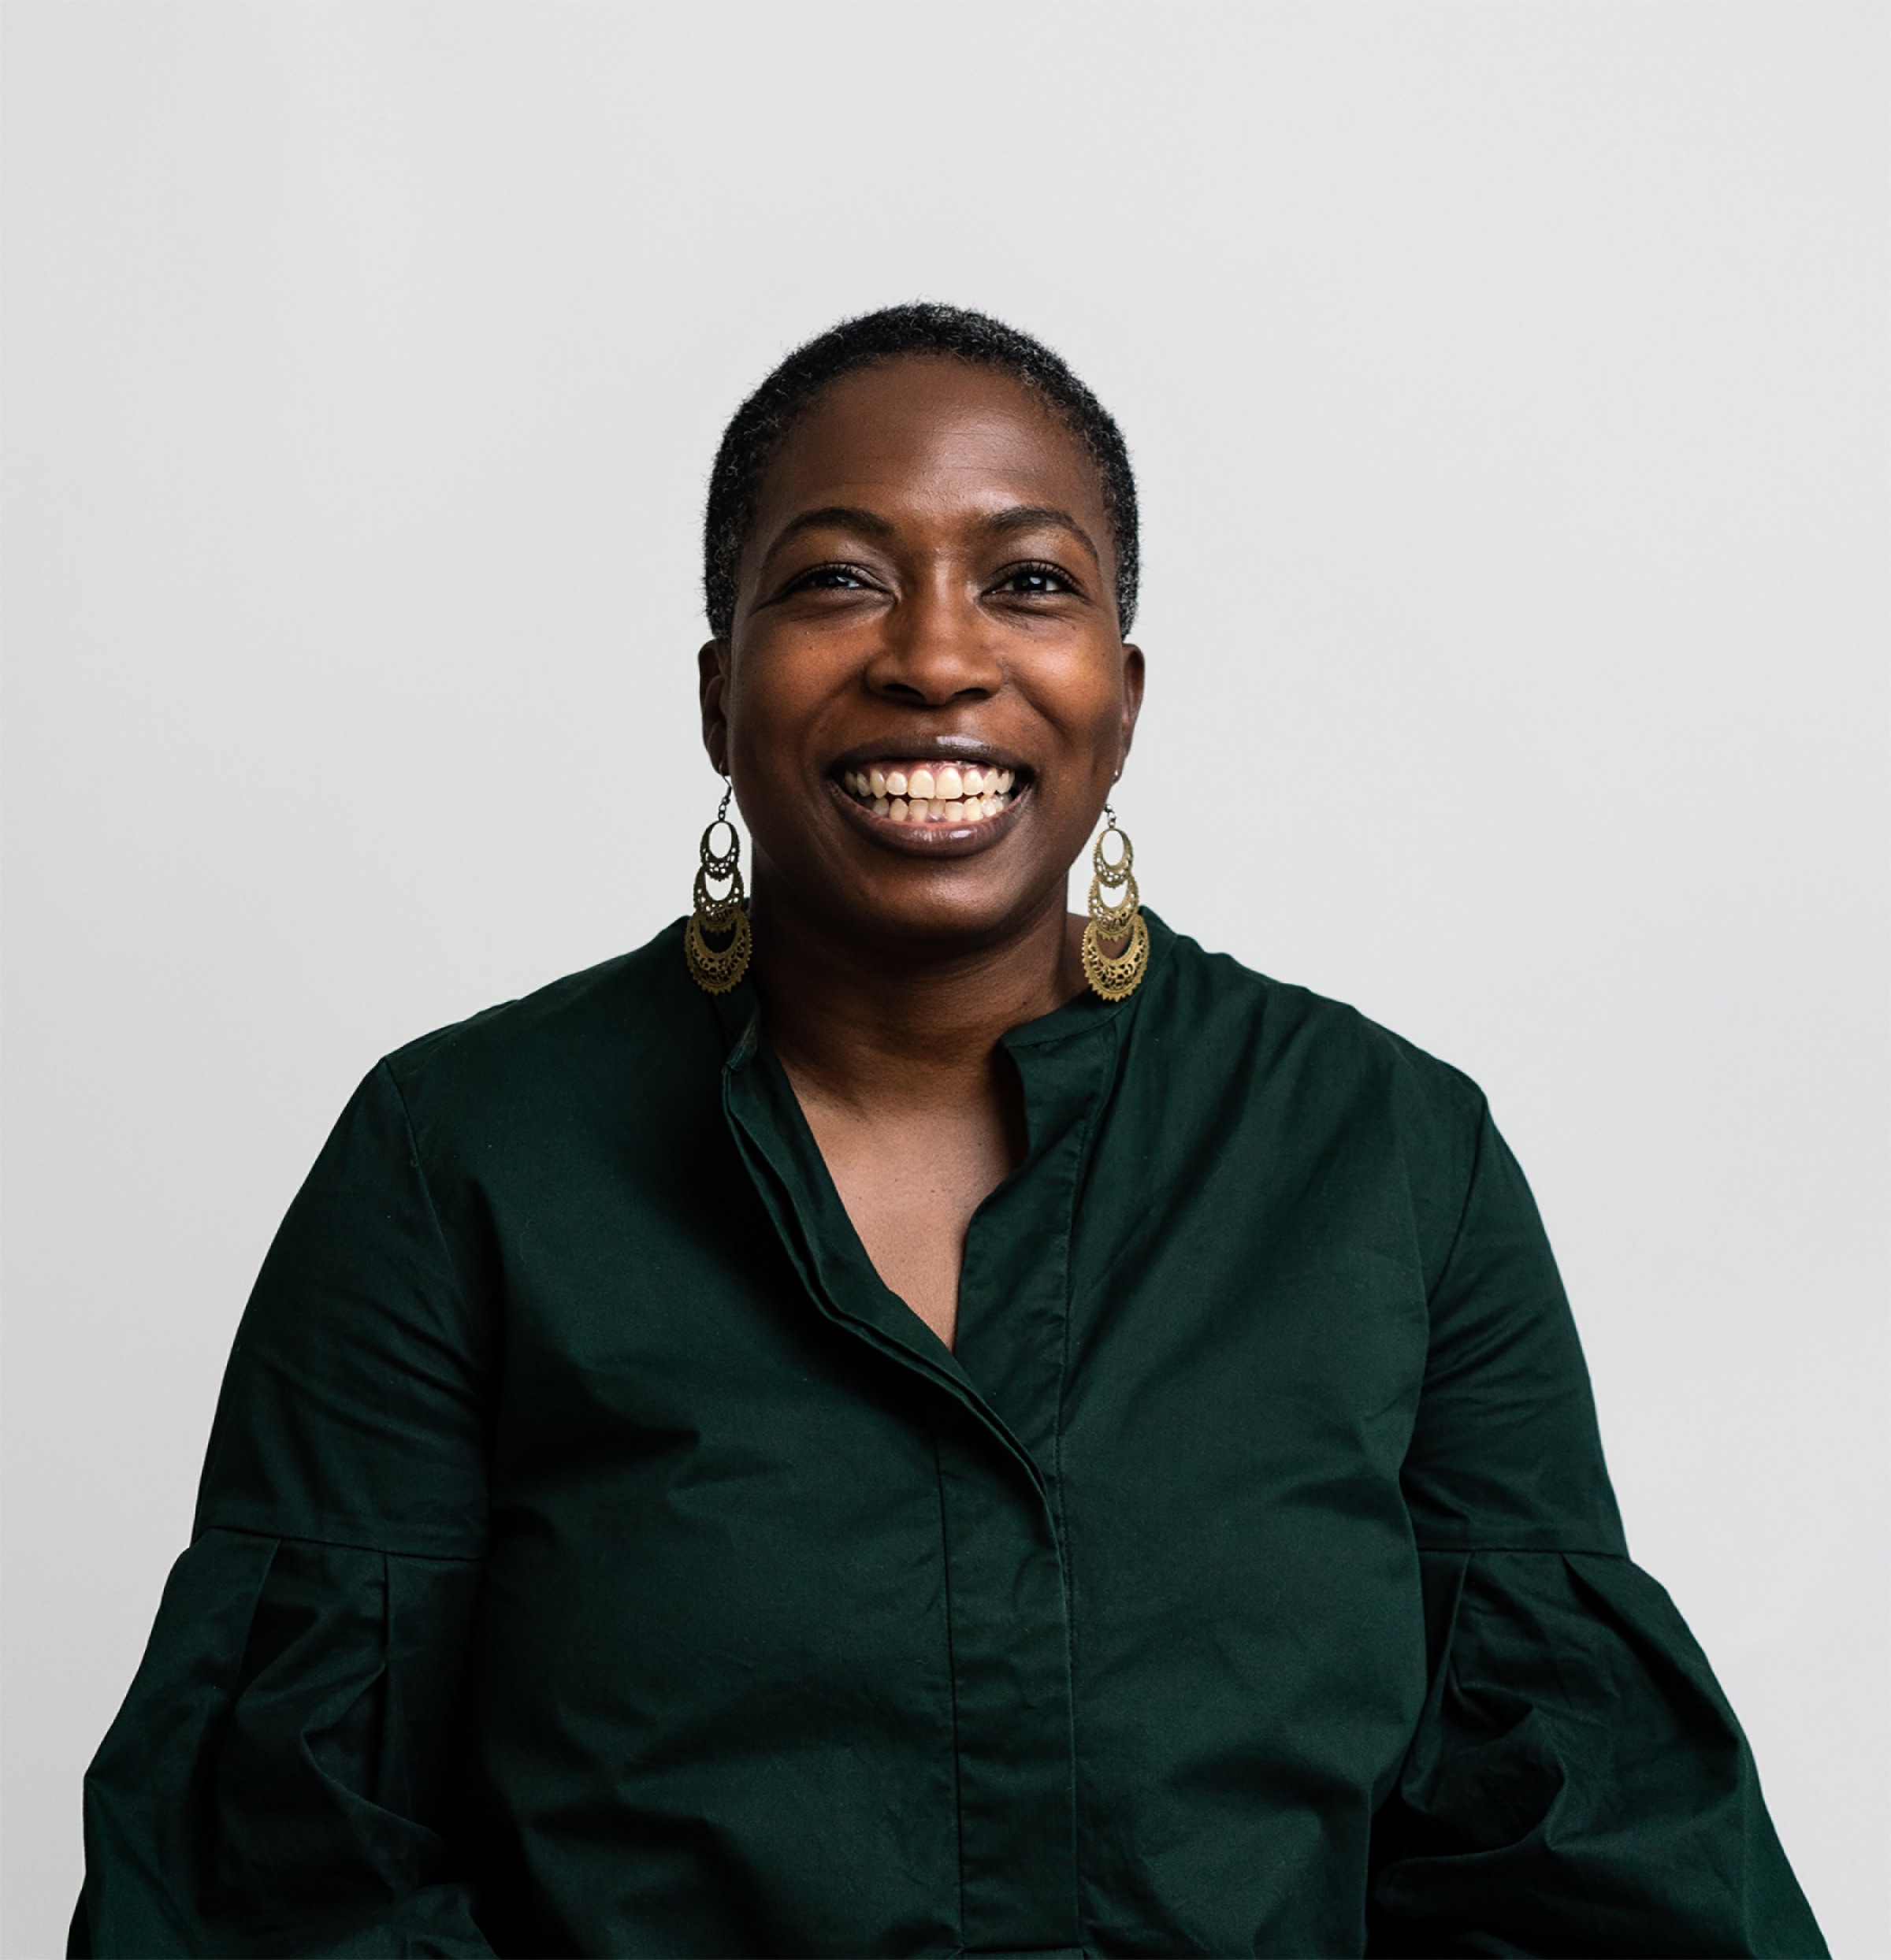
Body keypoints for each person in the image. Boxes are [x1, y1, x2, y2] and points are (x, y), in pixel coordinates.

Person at [72, 303, 1824, 1959]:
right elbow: (280, 1877)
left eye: (1028, 580)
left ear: (1122, 699)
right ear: (716, 691)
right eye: (837, 578)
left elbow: (1581, 1864)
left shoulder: (1388, 1164)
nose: (933, 653)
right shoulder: (457, 1161)